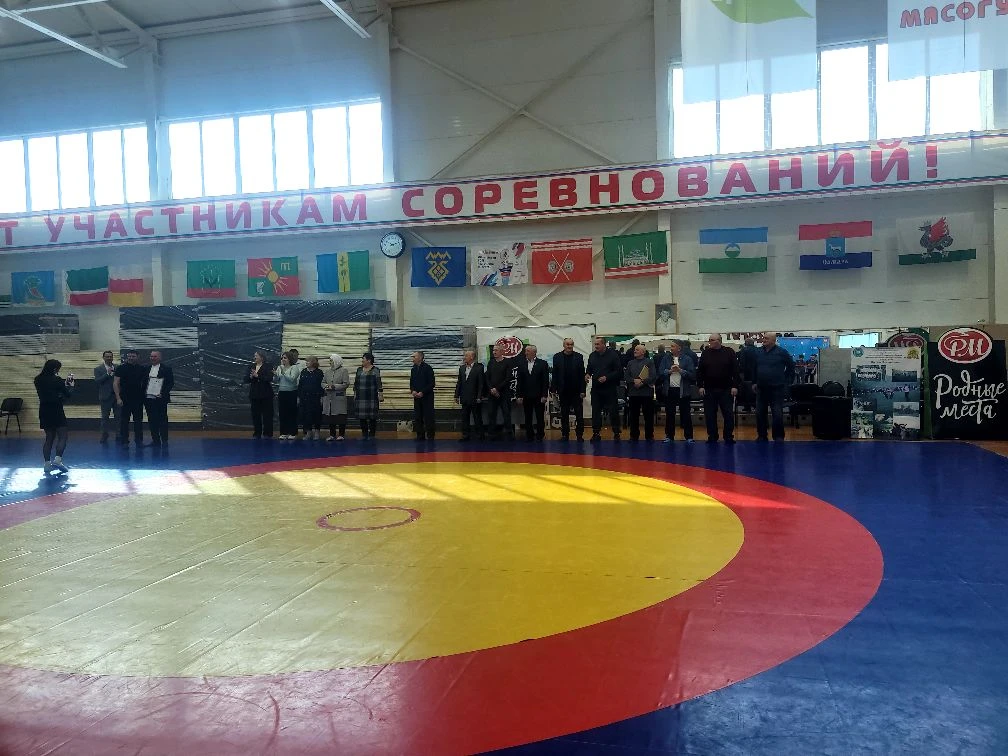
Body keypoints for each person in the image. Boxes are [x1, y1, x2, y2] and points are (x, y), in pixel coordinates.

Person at [696, 333, 738, 443]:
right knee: (710, 414)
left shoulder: (729, 352)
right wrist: (700, 386)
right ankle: (712, 436)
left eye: (712, 340)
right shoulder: (705, 353)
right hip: (709, 389)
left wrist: (735, 386)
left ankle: (728, 436)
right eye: (709, 340)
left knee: (728, 414)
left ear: (719, 341)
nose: (709, 342)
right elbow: (700, 371)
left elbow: (735, 370)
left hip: (726, 389)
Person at [754, 331, 796, 441]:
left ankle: (778, 436)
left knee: (777, 414)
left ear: (773, 340)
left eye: (766, 338)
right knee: (759, 413)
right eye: (763, 338)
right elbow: (754, 368)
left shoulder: (782, 352)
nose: (764, 340)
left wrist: (786, 381)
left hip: (777, 388)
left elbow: (791, 367)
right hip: (761, 388)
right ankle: (762, 435)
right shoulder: (758, 352)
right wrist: (754, 382)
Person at [34, 359, 73, 475]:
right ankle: (57, 460)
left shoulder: (37, 379)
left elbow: (47, 392)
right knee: (63, 436)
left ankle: (47, 464)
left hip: (44, 410)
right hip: (56, 409)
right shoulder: (57, 380)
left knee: (49, 437)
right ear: (55, 369)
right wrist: (70, 386)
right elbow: (67, 394)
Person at [586, 336, 623, 441]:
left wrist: (607, 377)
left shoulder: (613, 355)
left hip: (609, 388)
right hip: (596, 388)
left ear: (604, 344)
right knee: (596, 411)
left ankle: (616, 432)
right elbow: (589, 369)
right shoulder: (592, 355)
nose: (596, 346)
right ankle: (596, 433)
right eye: (595, 344)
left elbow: (619, 371)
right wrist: (587, 374)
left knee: (613, 411)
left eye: (598, 344)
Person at [659, 340, 695, 443]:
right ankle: (669, 436)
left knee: (686, 414)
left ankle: (689, 436)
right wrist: (670, 371)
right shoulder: (666, 358)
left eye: (673, 346)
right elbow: (660, 372)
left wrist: (680, 370)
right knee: (670, 414)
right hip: (670, 390)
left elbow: (692, 375)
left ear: (679, 348)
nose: (671, 348)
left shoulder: (687, 359)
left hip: (683, 390)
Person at [551, 337, 585, 442]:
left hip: (576, 391)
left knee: (579, 414)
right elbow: (555, 374)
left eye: (571, 344)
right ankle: (565, 435)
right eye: (567, 344)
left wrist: (583, 390)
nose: (569, 346)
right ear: (564, 345)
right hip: (563, 391)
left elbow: (582, 375)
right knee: (564, 414)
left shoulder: (579, 357)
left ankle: (579, 435)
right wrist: (553, 389)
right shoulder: (557, 357)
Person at [516, 344, 549, 441]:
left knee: (539, 416)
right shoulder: (521, 364)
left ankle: (540, 434)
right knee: (528, 416)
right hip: (526, 395)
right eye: (525, 351)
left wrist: (544, 395)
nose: (525, 353)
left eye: (527, 351)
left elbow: (545, 381)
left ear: (534, 352)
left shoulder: (543, 363)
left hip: (539, 395)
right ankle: (529, 434)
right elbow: (519, 381)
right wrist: (519, 395)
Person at [625, 343, 657, 441]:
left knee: (648, 416)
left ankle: (649, 435)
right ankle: (634, 435)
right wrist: (633, 381)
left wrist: (642, 382)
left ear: (643, 352)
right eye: (635, 349)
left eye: (637, 350)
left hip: (646, 393)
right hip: (633, 393)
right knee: (633, 416)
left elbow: (653, 376)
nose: (635, 351)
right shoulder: (630, 363)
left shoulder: (649, 362)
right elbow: (626, 376)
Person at [143, 351, 174, 447]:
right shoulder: (146, 368)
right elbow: (143, 383)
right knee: (152, 420)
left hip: (161, 399)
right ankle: (155, 440)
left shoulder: (167, 369)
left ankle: (164, 440)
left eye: (155, 356)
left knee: (163, 419)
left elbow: (170, 383)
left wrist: (163, 394)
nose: (152, 358)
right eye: (151, 356)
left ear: (160, 357)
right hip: (148, 399)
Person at [113, 351, 145, 447]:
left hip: (138, 399)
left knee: (138, 421)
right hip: (124, 399)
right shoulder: (121, 368)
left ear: (137, 357)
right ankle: (124, 440)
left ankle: (139, 440)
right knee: (124, 421)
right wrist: (118, 398)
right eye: (129, 356)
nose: (131, 358)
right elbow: (115, 383)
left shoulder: (142, 368)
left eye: (133, 356)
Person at [485, 343, 515, 440]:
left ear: (502, 351)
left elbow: (508, 378)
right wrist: (491, 389)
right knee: (491, 413)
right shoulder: (491, 362)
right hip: (492, 394)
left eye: (496, 350)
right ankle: (491, 434)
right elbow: (487, 377)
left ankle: (509, 433)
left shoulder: (507, 362)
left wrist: (497, 389)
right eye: (493, 350)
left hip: (504, 393)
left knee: (506, 413)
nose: (494, 352)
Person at [454, 349, 485, 442]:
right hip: (464, 397)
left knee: (477, 417)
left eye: (466, 356)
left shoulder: (479, 368)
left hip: (475, 398)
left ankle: (480, 435)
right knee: (464, 417)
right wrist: (456, 395)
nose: (464, 357)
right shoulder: (462, 368)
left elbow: (481, 384)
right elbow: (459, 383)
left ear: (472, 357)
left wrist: (479, 396)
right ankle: (465, 435)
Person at [244, 350, 274, 439]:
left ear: (262, 357)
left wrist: (258, 376)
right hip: (254, 394)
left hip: (266, 394)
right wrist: (250, 377)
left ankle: (268, 433)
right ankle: (257, 432)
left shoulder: (268, 366)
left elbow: (269, 378)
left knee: (267, 415)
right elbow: (245, 379)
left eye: (256, 355)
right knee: (255, 414)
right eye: (254, 355)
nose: (255, 357)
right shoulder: (251, 366)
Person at [354, 352, 383, 439]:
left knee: (372, 417)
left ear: (369, 360)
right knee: (362, 417)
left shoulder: (375, 370)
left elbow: (379, 383)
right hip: (360, 397)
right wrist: (355, 393)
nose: (362, 360)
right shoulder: (359, 370)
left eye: (363, 359)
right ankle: (364, 433)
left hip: (372, 397)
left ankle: (372, 434)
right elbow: (356, 383)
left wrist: (380, 394)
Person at [323, 354, 350, 441]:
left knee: (340, 416)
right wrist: (326, 386)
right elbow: (323, 382)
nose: (330, 362)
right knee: (331, 416)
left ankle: (341, 434)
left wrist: (334, 386)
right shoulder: (327, 371)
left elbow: (346, 384)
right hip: (329, 397)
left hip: (339, 398)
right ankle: (332, 434)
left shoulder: (344, 371)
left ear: (336, 361)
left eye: (331, 361)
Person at [410, 351, 436, 440]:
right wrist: (413, 390)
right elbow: (411, 382)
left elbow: (432, 383)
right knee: (418, 417)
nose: (412, 359)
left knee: (428, 417)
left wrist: (422, 392)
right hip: (417, 397)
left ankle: (430, 435)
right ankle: (420, 435)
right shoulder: (413, 369)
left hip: (427, 397)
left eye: (414, 357)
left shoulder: (428, 368)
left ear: (420, 357)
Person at [297, 356, 325, 440]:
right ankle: (308, 432)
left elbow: (321, 385)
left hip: (315, 397)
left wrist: (322, 396)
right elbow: (300, 385)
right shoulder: (304, 371)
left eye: (308, 361)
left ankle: (317, 432)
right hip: (305, 397)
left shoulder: (319, 372)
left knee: (316, 415)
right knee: (306, 415)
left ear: (313, 362)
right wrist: (299, 396)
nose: (306, 363)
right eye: (306, 361)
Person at [276, 351, 301, 440]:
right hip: (282, 392)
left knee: (291, 413)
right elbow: (278, 378)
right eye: (282, 358)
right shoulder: (279, 367)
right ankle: (284, 432)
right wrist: (276, 374)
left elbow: (292, 379)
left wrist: (284, 372)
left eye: (285, 358)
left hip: (291, 392)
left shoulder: (294, 367)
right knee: (282, 413)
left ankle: (293, 432)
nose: (283, 359)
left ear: (290, 359)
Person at [93, 350, 117, 444]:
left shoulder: (118, 367)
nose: (109, 358)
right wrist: (107, 374)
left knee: (119, 417)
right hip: (105, 396)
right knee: (105, 417)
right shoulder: (98, 369)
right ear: (103, 358)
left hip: (117, 396)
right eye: (107, 356)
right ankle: (104, 435)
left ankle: (119, 434)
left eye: (110, 356)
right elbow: (97, 381)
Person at [736, 337, 759, 412]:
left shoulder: (744, 350)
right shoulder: (758, 350)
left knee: (746, 390)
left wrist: (740, 372)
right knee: (755, 389)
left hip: (746, 374)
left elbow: (742, 363)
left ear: (746, 343)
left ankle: (747, 406)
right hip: (756, 374)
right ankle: (755, 405)